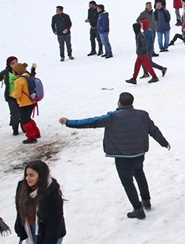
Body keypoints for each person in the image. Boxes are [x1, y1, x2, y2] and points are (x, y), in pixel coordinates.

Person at [59, 92, 171, 220]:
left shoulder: (112, 117)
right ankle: (146, 201)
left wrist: (69, 122)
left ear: (119, 103)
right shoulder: (142, 115)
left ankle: (138, 209)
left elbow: (91, 122)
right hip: (139, 153)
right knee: (140, 174)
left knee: (128, 182)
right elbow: (153, 130)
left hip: (122, 156)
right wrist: (164, 142)